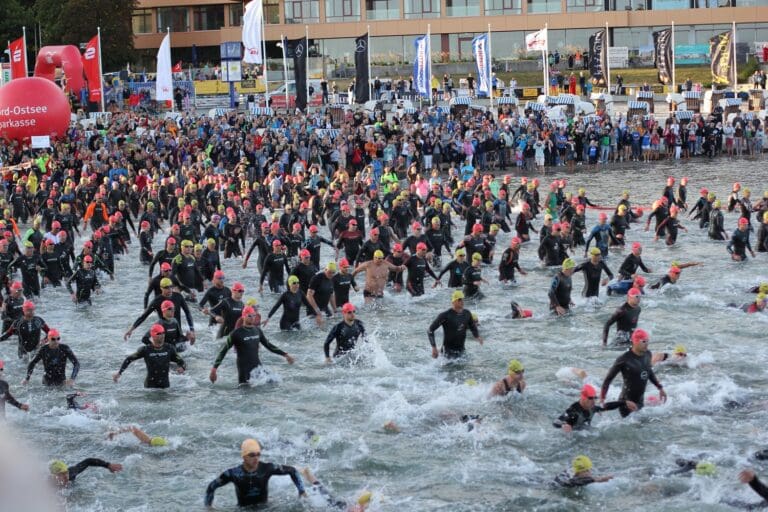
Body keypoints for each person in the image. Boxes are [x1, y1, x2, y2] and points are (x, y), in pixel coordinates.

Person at [204, 438, 307, 507]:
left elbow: (292, 471)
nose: (256, 458)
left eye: (258, 454)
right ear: (244, 456)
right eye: (252, 455)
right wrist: (208, 507)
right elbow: (211, 487)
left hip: (266, 508)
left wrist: (301, 491)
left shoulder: (267, 468)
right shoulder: (233, 474)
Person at [209, 306, 295, 385]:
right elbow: (223, 351)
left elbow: (269, 345)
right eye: (249, 316)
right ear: (243, 316)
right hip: (244, 371)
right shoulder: (236, 333)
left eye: (254, 315)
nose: (252, 318)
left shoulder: (257, 330)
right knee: (246, 395)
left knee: (275, 383)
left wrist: (285, 354)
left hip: (257, 369)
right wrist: (214, 369)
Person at [600, 329, 666, 417]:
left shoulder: (648, 354)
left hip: (640, 402)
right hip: (626, 404)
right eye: (643, 341)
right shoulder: (624, 359)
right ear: (635, 342)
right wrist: (602, 399)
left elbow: (649, 371)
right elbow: (608, 379)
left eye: (647, 341)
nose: (647, 344)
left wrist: (660, 388)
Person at [113, 323, 186, 389]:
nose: (162, 335)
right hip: (150, 388)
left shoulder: (169, 348)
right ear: (153, 335)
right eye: (159, 333)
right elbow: (129, 359)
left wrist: (182, 367)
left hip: (165, 387)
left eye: (163, 333)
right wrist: (119, 373)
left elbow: (181, 361)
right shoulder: (146, 350)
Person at [553, 384, 637, 432]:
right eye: (590, 398)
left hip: (586, 432)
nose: (593, 401)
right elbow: (556, 422)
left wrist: (624, 402)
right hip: (575, 435)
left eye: (595, 398)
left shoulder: (592, 407)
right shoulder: (573, 411)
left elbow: (607, 406)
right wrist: (564, 425)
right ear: (583, 398)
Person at [427, 290, 483, 359]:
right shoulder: (445, 315)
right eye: (459, 299)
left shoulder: (467, 313)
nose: (462, 301)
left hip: (462, 351)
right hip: (447, 354)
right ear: (454, 301)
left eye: (462, 299)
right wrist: (434, 347)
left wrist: (477, 336)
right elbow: (430, 330)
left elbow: (472, 326)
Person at [300, 467, 372, 512]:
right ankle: (308, 475)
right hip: (341, 506)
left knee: (324, 495)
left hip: (341, 507)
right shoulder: (357, 506)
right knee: (325, 495)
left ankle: (307, 475)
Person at [48, 458, 123, 487]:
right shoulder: (46, 484)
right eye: (62, 474)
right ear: (53, 476)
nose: (66, 477)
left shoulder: (71, 473)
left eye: (66, 473)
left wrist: (108, 465)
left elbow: (88, 461)